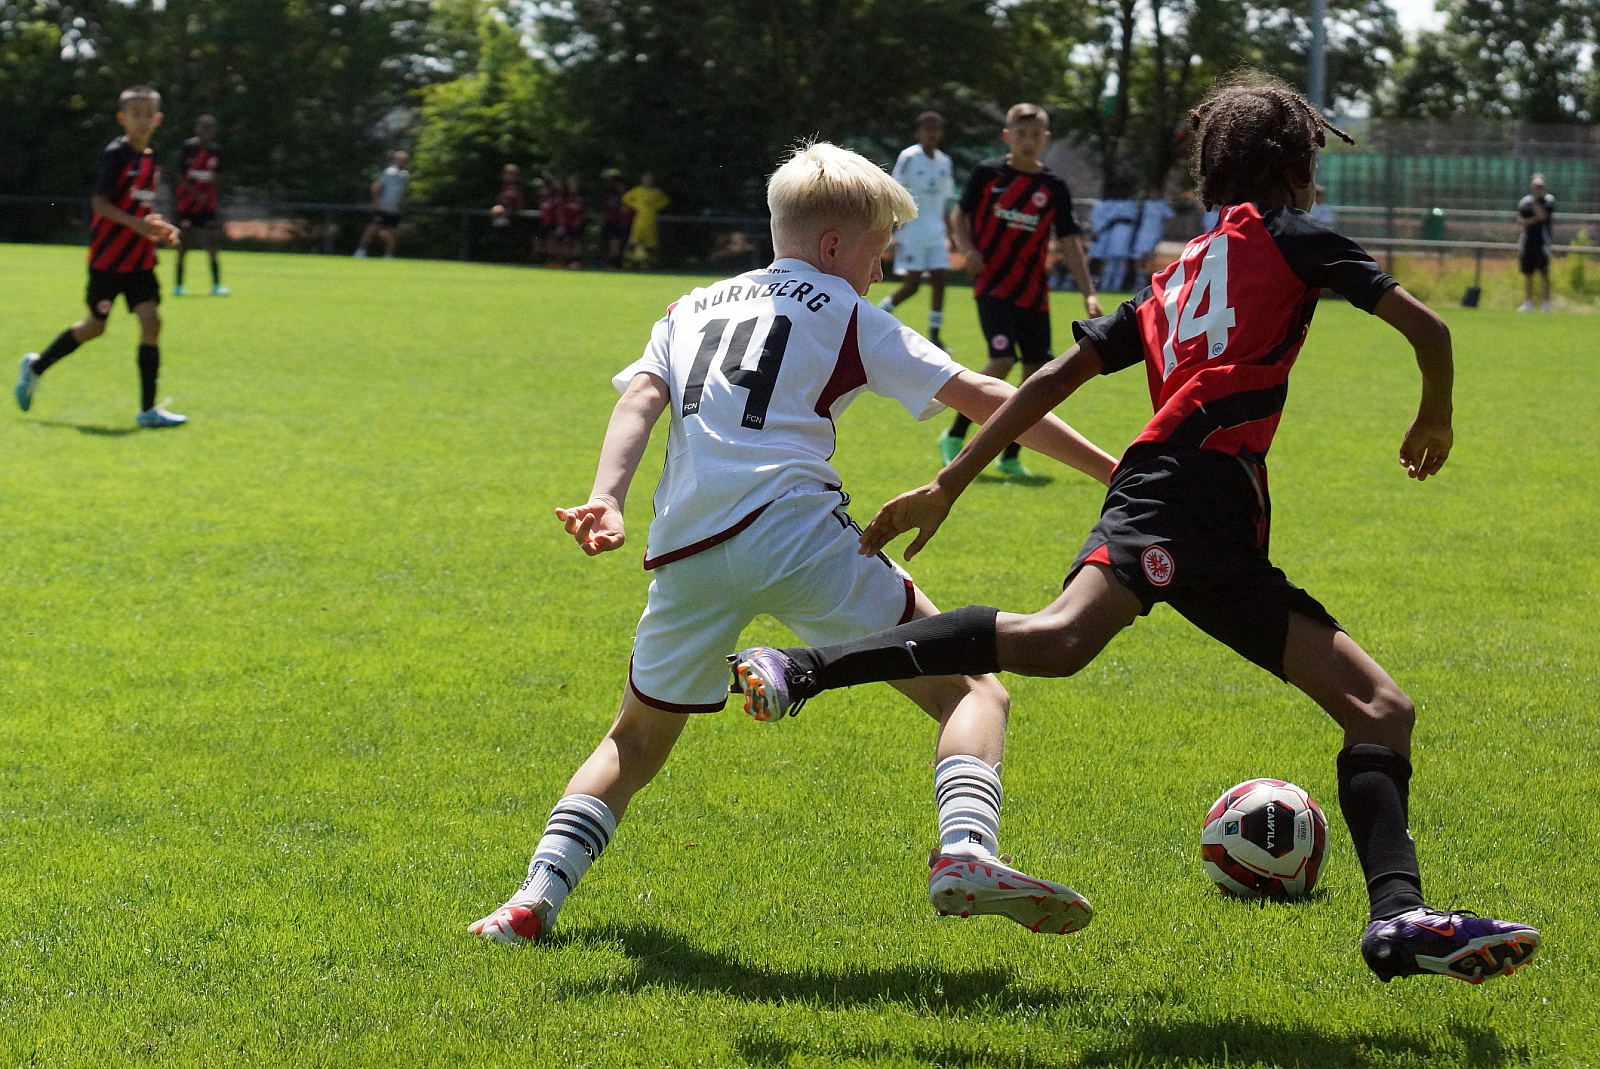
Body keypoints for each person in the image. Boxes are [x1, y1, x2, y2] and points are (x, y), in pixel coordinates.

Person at [728, 75, 1541, 988]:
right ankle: (801, 668)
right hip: (1182, 490)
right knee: (1057, 638)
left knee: (1379, 708)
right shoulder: (1291, 236)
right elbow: (1430, 329)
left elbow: (1047, 380)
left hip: (1210, 517)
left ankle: (1398, 919)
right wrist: (1436, 415)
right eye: (1311, 164)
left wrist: (950, 481)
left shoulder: (1179, 271)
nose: (1314, 182)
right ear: (1291, 166)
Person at [467, 141, 1117, 947]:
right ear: (834, 246)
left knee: (631, 740)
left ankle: (531, 900)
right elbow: (986, 393)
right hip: (798, 536)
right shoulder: (847, 311)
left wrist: (607, 495)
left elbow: (639, 399)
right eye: (878, 254)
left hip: (689, 551)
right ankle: (966, 849)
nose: (880, 272)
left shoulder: (689, 307)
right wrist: (1113, 468)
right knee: (974, 691)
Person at [938, 103, 1102, 478]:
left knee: (1037, 376)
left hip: (1033, 291)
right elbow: (960, 215)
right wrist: (967, 249)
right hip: (993, 284)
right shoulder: (988, 174)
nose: (1028, 141)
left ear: (1046, 139)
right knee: (1002, 359)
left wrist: (1088, 292)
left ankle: (1010, 456)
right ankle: (955, 434)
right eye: (1021, 134)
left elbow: (1070, 242)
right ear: (1007, 137)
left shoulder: (1053, 187)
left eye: (1035, 134)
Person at [15, 86, 186, 428]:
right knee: (94, 327)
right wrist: (139, 224)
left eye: (148, 115)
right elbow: (100, 204)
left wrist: (160, 226)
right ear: (122, 118)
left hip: (139, 261)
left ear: (158, 119)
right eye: (135, 115)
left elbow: (140, 208)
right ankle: (35, 367)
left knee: (152, 322)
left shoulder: (151, 160)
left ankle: (148, 410)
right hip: (108, 260)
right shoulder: (115, 155)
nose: (142, 121)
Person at [878, 112, 956, 348]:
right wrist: (891, 228)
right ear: (918, 132)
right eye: (927, 128)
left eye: (936, 129)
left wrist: (951, 233)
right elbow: (895, 190)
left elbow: (944, 200)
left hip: (936, 232)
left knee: (940, 279)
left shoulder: (945, 162)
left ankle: (935, 335)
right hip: (913, 230)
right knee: (912, 285)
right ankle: (878, 314)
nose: (931, 133)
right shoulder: (909, 157)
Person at [172, 114, 228, 296]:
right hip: (187, 205)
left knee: (212, 240)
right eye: (203, 127)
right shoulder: (187, 148)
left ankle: (216, 285)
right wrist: (195, 193)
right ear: (197, 128)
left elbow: (218, 176)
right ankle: (179, 285)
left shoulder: (216, 151)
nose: (206, 131)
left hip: (207, 206)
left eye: (210, 127)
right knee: (184, 241)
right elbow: (180, 175)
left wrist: (210, 194)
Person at [353, 151, 410, 259]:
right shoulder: (389, 172)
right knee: (372, 229)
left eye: (404, 160)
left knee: (392, 232)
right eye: (400, 160)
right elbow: (376, 187)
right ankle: (361, 251)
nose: (402, 162)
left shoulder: (405, 175)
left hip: (394, 208)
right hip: (383, 207)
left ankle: (388, 255)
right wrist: (376, 201)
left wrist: (403, 203)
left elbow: (402, 192)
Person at [1516, 174, 1555, 313]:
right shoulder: (1525, 201)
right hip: (1528, 242)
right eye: (1535, 186)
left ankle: (1546, 304)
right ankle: (1528, 303)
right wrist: (1534, 219)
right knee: (1528, 273)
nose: (1537, 189)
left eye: (1540, 187)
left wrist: (1535, 206)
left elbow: (1543, 216)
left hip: (1542, 242)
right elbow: (1521, 220)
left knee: (1544, 273)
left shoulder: (1548, 200)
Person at [1092, 184, 1140, 292]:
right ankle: (1105, 286)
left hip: (1126, 235)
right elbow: (1109, 219)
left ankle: (1116, 287)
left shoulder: (1132, 204)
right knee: (1110, 264)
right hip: (1114, 236)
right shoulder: (1115, 205)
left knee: (1121, 265)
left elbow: (1132, 219)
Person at [1129, 184, 1174, 292]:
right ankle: (1137, 281)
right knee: (1138, 257)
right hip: (1142, 233)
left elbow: (1170, 217)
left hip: (1154, 234)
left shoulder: (1162, 205)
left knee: (1148, 258)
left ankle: (1145, 282)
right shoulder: (1145, 204)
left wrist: (1164, 231)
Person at [622, 173, 670, 268]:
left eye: (649, 179)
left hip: (651, 222)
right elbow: (626, 198)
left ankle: (645, 264)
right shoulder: (637, 190)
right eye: (646, 179)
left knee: (649, 244)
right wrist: (636, 205)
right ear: (642, 180)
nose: (648, 181)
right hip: (639, 221)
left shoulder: (656, 192)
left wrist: (655, 207)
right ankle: (628, 262)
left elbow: (665, 201)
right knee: (634, 242)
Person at [488, 163, 525, 257]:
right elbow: (499, 199)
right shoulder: (502, 186)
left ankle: (504, 238)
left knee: (501, 213)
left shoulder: (518, 186)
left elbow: (520, 200)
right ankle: (497, 236)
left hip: (514, 210)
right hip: (504, 210)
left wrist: (515, 208)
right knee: (496, 211)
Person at [601, 177, 635, 269]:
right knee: (614, 243)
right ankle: (612, 263)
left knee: (624, 245)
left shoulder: (630, 196)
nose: (619, 187)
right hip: (613, 224)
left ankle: (621, 263)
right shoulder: (612, 197)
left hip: (626, 224)